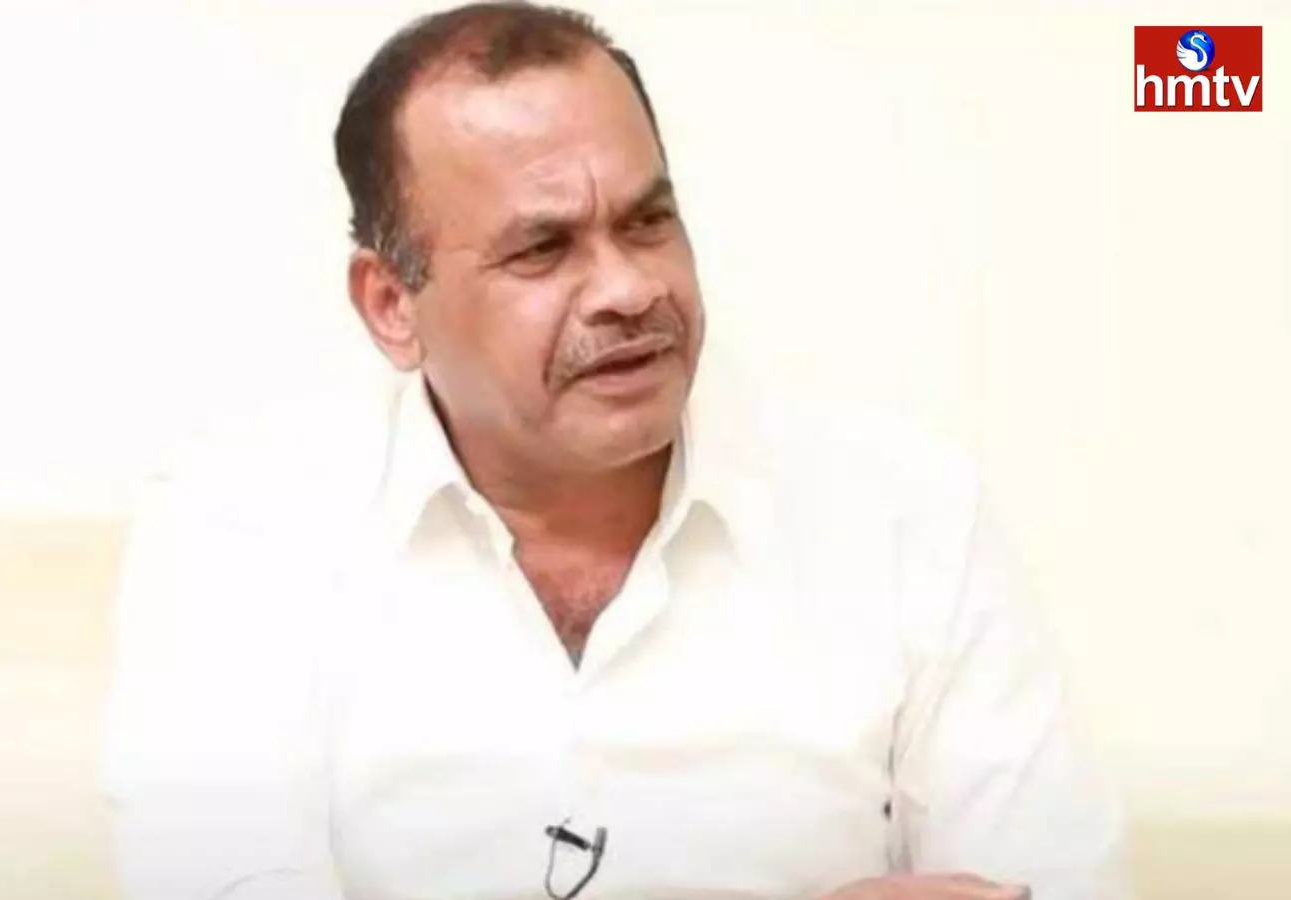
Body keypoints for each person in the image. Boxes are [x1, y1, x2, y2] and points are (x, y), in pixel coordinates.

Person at [100, 3, 1132, 899]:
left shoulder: (909, 518)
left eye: (648, 223)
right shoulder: (240, 533)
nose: (629, 289)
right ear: (391, 305)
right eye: (541, 249)